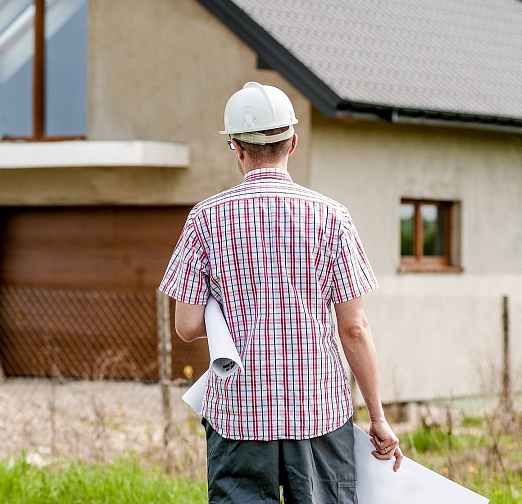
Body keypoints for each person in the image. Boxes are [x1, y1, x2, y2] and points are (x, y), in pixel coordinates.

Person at [160, 82, 402, 504]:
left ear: (236, 147)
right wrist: (377, 417)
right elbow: (355, 328)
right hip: (319, 414)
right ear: (292, 141)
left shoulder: (205, 219)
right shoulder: (332, 217)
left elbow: (186, 325)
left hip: (238, 416)